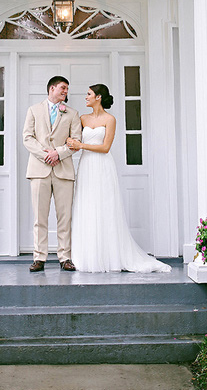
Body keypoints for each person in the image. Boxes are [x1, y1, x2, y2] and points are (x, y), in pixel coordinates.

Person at [67, 84, 171, 274]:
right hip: (86, 166)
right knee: (87, 205)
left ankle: (109, 256)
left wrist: (81, 145)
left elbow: (105, 147)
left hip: (102, 166)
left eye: (89, 94)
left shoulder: (110, 119)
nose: (86, 97)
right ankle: (86, 256)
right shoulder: (81, 118)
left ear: (98, 97)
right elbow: (73, 140)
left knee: (105, 207)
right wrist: (73, 144)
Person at [23, 76, 82, 272]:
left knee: (65, 217)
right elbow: (28, 138)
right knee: (40, 217)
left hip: (63, 171)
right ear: (52, 88)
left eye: (67, 89)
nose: (65, 91)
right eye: (62, 88)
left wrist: (59, 153)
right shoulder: (33, 110)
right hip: (39, 171)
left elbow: (76, 141)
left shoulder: (72, 114)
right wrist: (46, 155)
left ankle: (65, 257)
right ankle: (39, 257)